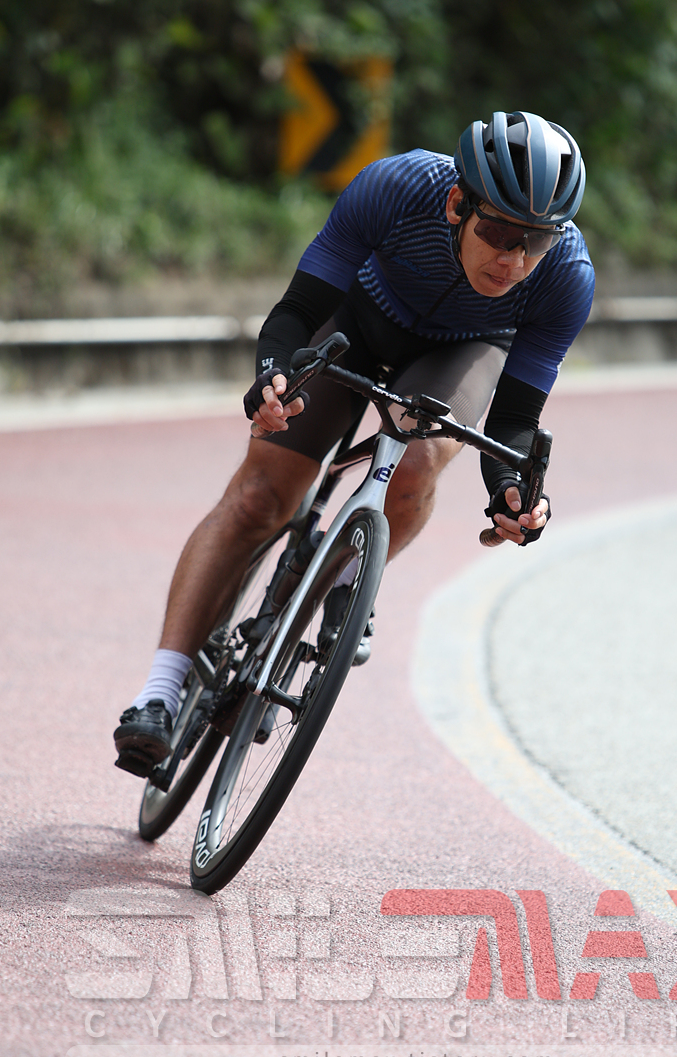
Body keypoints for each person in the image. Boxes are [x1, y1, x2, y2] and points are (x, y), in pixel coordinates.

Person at [113, 110, 595, 776]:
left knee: (419, 454)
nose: (514, 260)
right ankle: (159, 694)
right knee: (259, 497)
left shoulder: (565, 273)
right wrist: (273, 379)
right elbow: (296, 312)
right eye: (498, 233)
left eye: (534, 241)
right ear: (457, 205)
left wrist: (511, 491)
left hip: (464, 351)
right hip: (359, 319)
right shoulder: (396, 188)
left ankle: (347, 579)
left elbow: (514, 419)